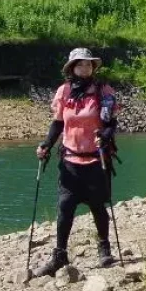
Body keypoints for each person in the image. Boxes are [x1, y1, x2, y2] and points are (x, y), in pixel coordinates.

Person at [32, 48, 121, 276]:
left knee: (98, 207)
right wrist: (46, 145)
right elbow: (58, 123)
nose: (85, 68)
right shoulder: (64, 92)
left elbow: (112, 122)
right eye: (80, 64)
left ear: (93, 68)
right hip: (70, 161)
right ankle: (59, 256)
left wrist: (107, 135)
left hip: (96, 159)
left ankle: (104, 249)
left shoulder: (103, 91)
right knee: (64, 208)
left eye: (88, 65)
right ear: (72, 67)